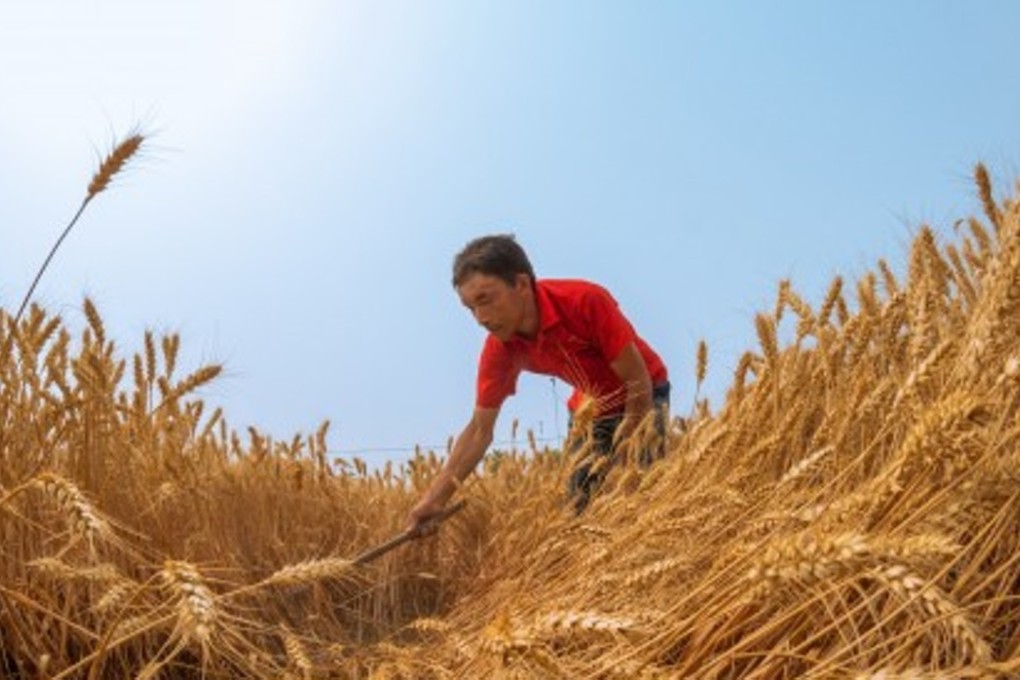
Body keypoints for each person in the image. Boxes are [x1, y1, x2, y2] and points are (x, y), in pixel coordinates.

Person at [406, 234, 669, 530]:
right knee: (577, 511)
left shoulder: (584, 301)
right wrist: (435, 499)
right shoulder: (499, 348)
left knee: (642, 493)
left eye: (485, 300)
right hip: (590, 409)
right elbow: (480, 430)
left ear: (521, 284)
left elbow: (636, 379)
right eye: (470, 308)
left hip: (645, 388)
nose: (480, 318)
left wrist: (628, 453)